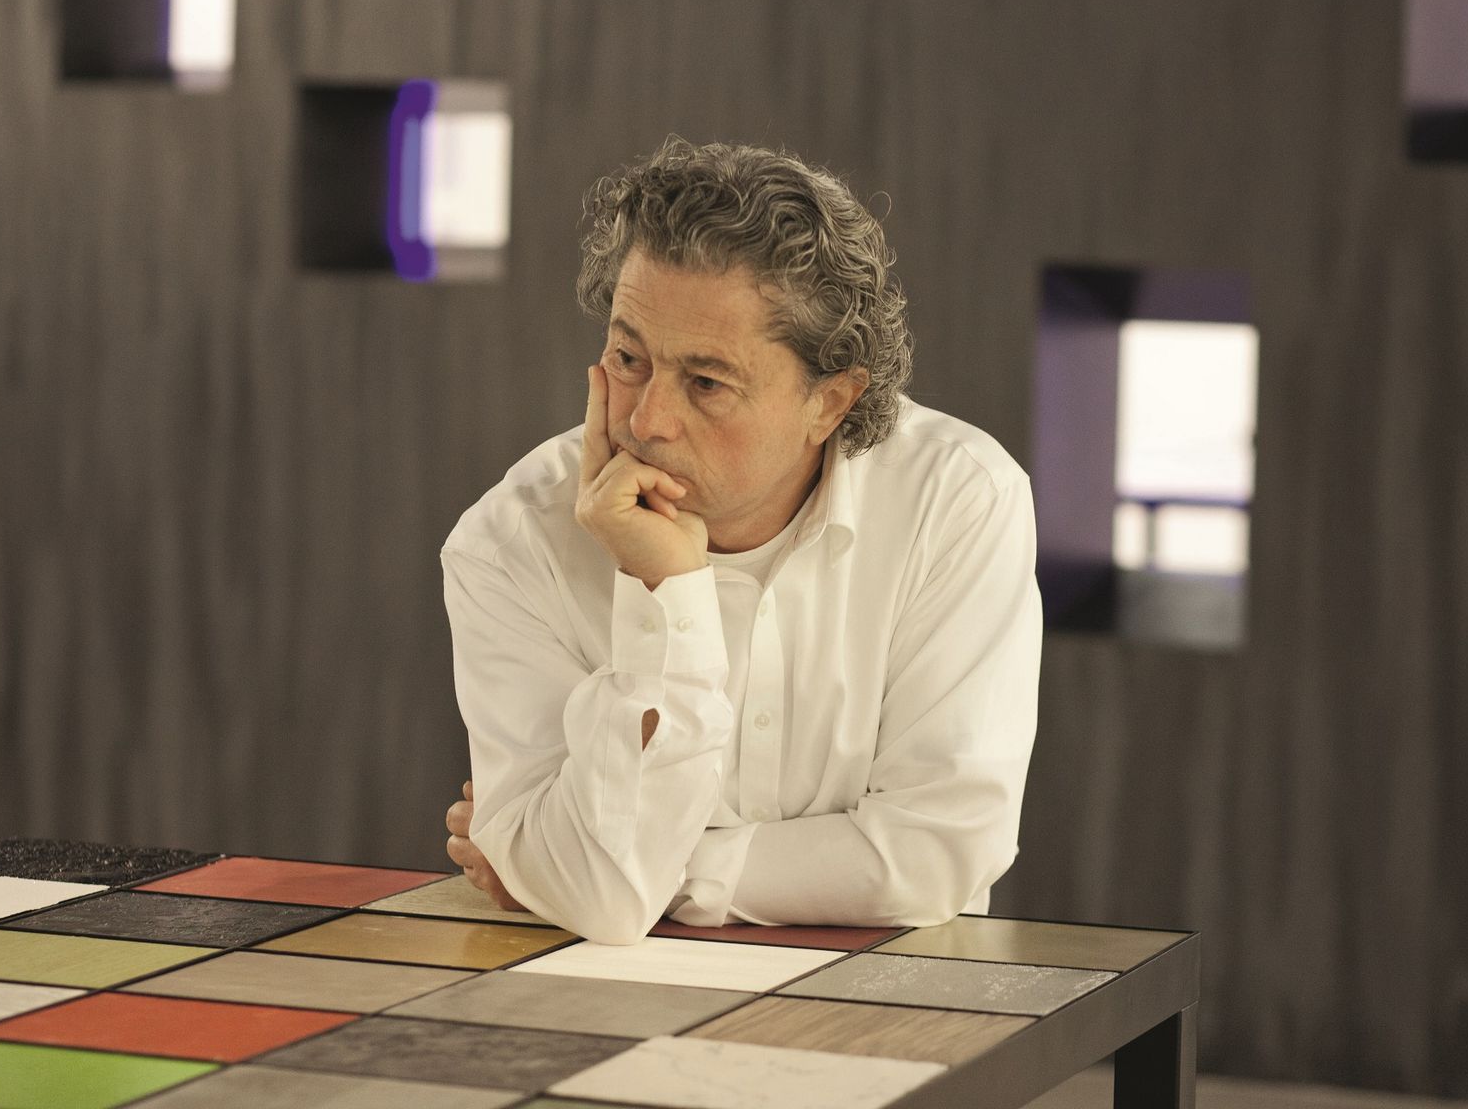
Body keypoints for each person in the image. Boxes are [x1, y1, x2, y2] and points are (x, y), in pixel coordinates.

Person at [439, 138, 1041, 944]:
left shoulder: (957, 499)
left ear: (830, 403)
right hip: (605, 998)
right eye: (628, 357)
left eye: (706, 382)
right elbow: (602, 901)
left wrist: (642, 871)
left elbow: (938, 855)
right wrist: (667, 595)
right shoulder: (509, 544)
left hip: (895, 990)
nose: (646, 419)